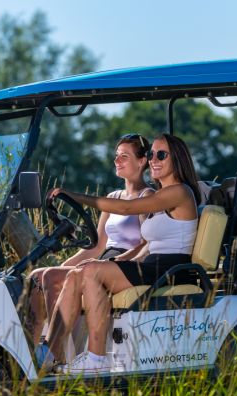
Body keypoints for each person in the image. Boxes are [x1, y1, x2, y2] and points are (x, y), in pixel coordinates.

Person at [47, 133, 201, 373]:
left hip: (170, 269)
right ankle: (50, 355)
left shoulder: (180, 192)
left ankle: (96, 359)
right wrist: (123, 259)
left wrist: (74, 196)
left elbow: (126, 207)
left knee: (91, 271)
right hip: (151, 265)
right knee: (77, 273)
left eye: (161, 155)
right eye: (151, 154)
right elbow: (149, 244)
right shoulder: (162, 195)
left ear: (177, 159)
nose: (153, 160)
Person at [30, 134, 153, 371]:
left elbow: (145, 242)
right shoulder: (112, 198)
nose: (117, 161)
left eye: (124, 156)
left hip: (123, 264)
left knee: (54, 276)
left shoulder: (146, 197)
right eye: (116, 156)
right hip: (104, 259)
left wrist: (119, 259)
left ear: (142, 161)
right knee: (40, 275)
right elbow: (97, 246)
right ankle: (36, 347)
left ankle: (53, 354)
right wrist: (65, 265)